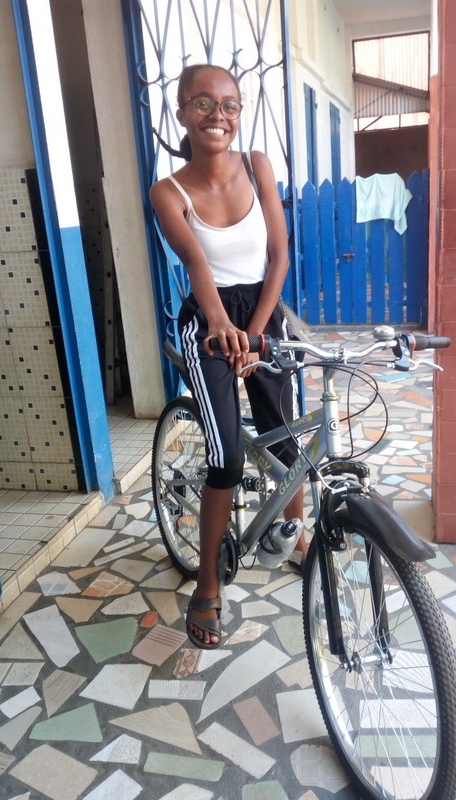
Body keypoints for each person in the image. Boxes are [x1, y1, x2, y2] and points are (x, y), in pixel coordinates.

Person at [150, 64, 307, 650]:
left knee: (287, 437)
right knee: (227, 457)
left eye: (230, 105)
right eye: (203, 103)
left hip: (263, 311)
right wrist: (220, 325)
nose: (218, 115)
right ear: (182, 113)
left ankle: (296, 534)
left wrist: (256, 335)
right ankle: (208, 582)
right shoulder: (168, 191)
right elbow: (196, 262)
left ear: (239, 113)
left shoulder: (258, 165)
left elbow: (279, 257)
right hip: (208, 318)